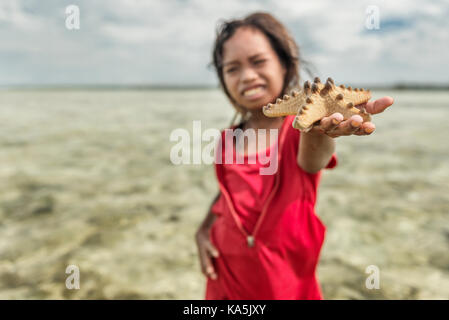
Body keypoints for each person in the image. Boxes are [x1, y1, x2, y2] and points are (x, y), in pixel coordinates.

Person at [195, 12, 394, 300]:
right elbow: (228, 193)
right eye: (232, 68)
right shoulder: (228, 138)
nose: (247, 76)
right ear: (223, 80)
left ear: (285, 64)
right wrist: (203, 228)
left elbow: (312, 161)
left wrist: (317, 131)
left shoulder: (297, 132)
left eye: (258, 61)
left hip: (287, 288)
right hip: (225, 282)